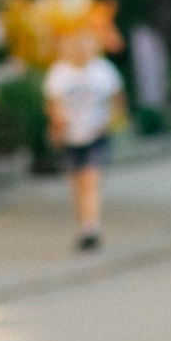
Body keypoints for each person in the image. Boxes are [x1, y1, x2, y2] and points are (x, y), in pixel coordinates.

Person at [43, 17, 123, 252]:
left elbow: (116, 101)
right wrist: (58, 123)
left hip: (96, 132)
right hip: (71, 135)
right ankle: (83, 224)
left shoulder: (102, 71)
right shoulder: (60, 72)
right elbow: (53, 103)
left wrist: (110, 122)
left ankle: (91, 227)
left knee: (91, 180)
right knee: (77, 183)